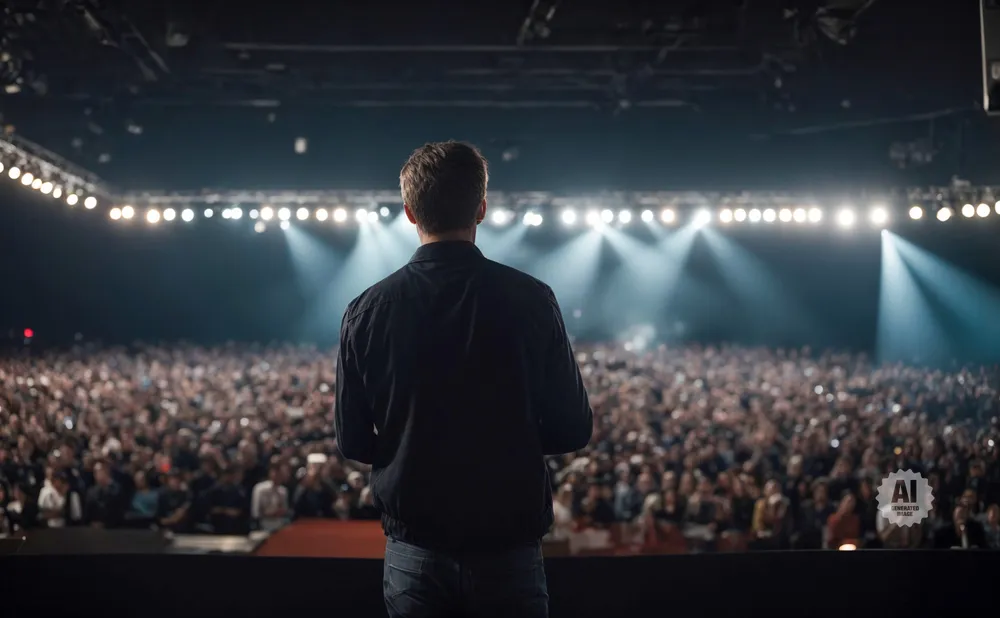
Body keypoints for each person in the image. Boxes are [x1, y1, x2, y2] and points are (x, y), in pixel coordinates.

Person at [335, 141, 593, 618]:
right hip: (508, 545)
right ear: (482, 208)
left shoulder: (366, 311)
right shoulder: (533, 300)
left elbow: (353, 439)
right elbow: (574, 428)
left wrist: (409, 447)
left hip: (416, 546)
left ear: (410, 213)